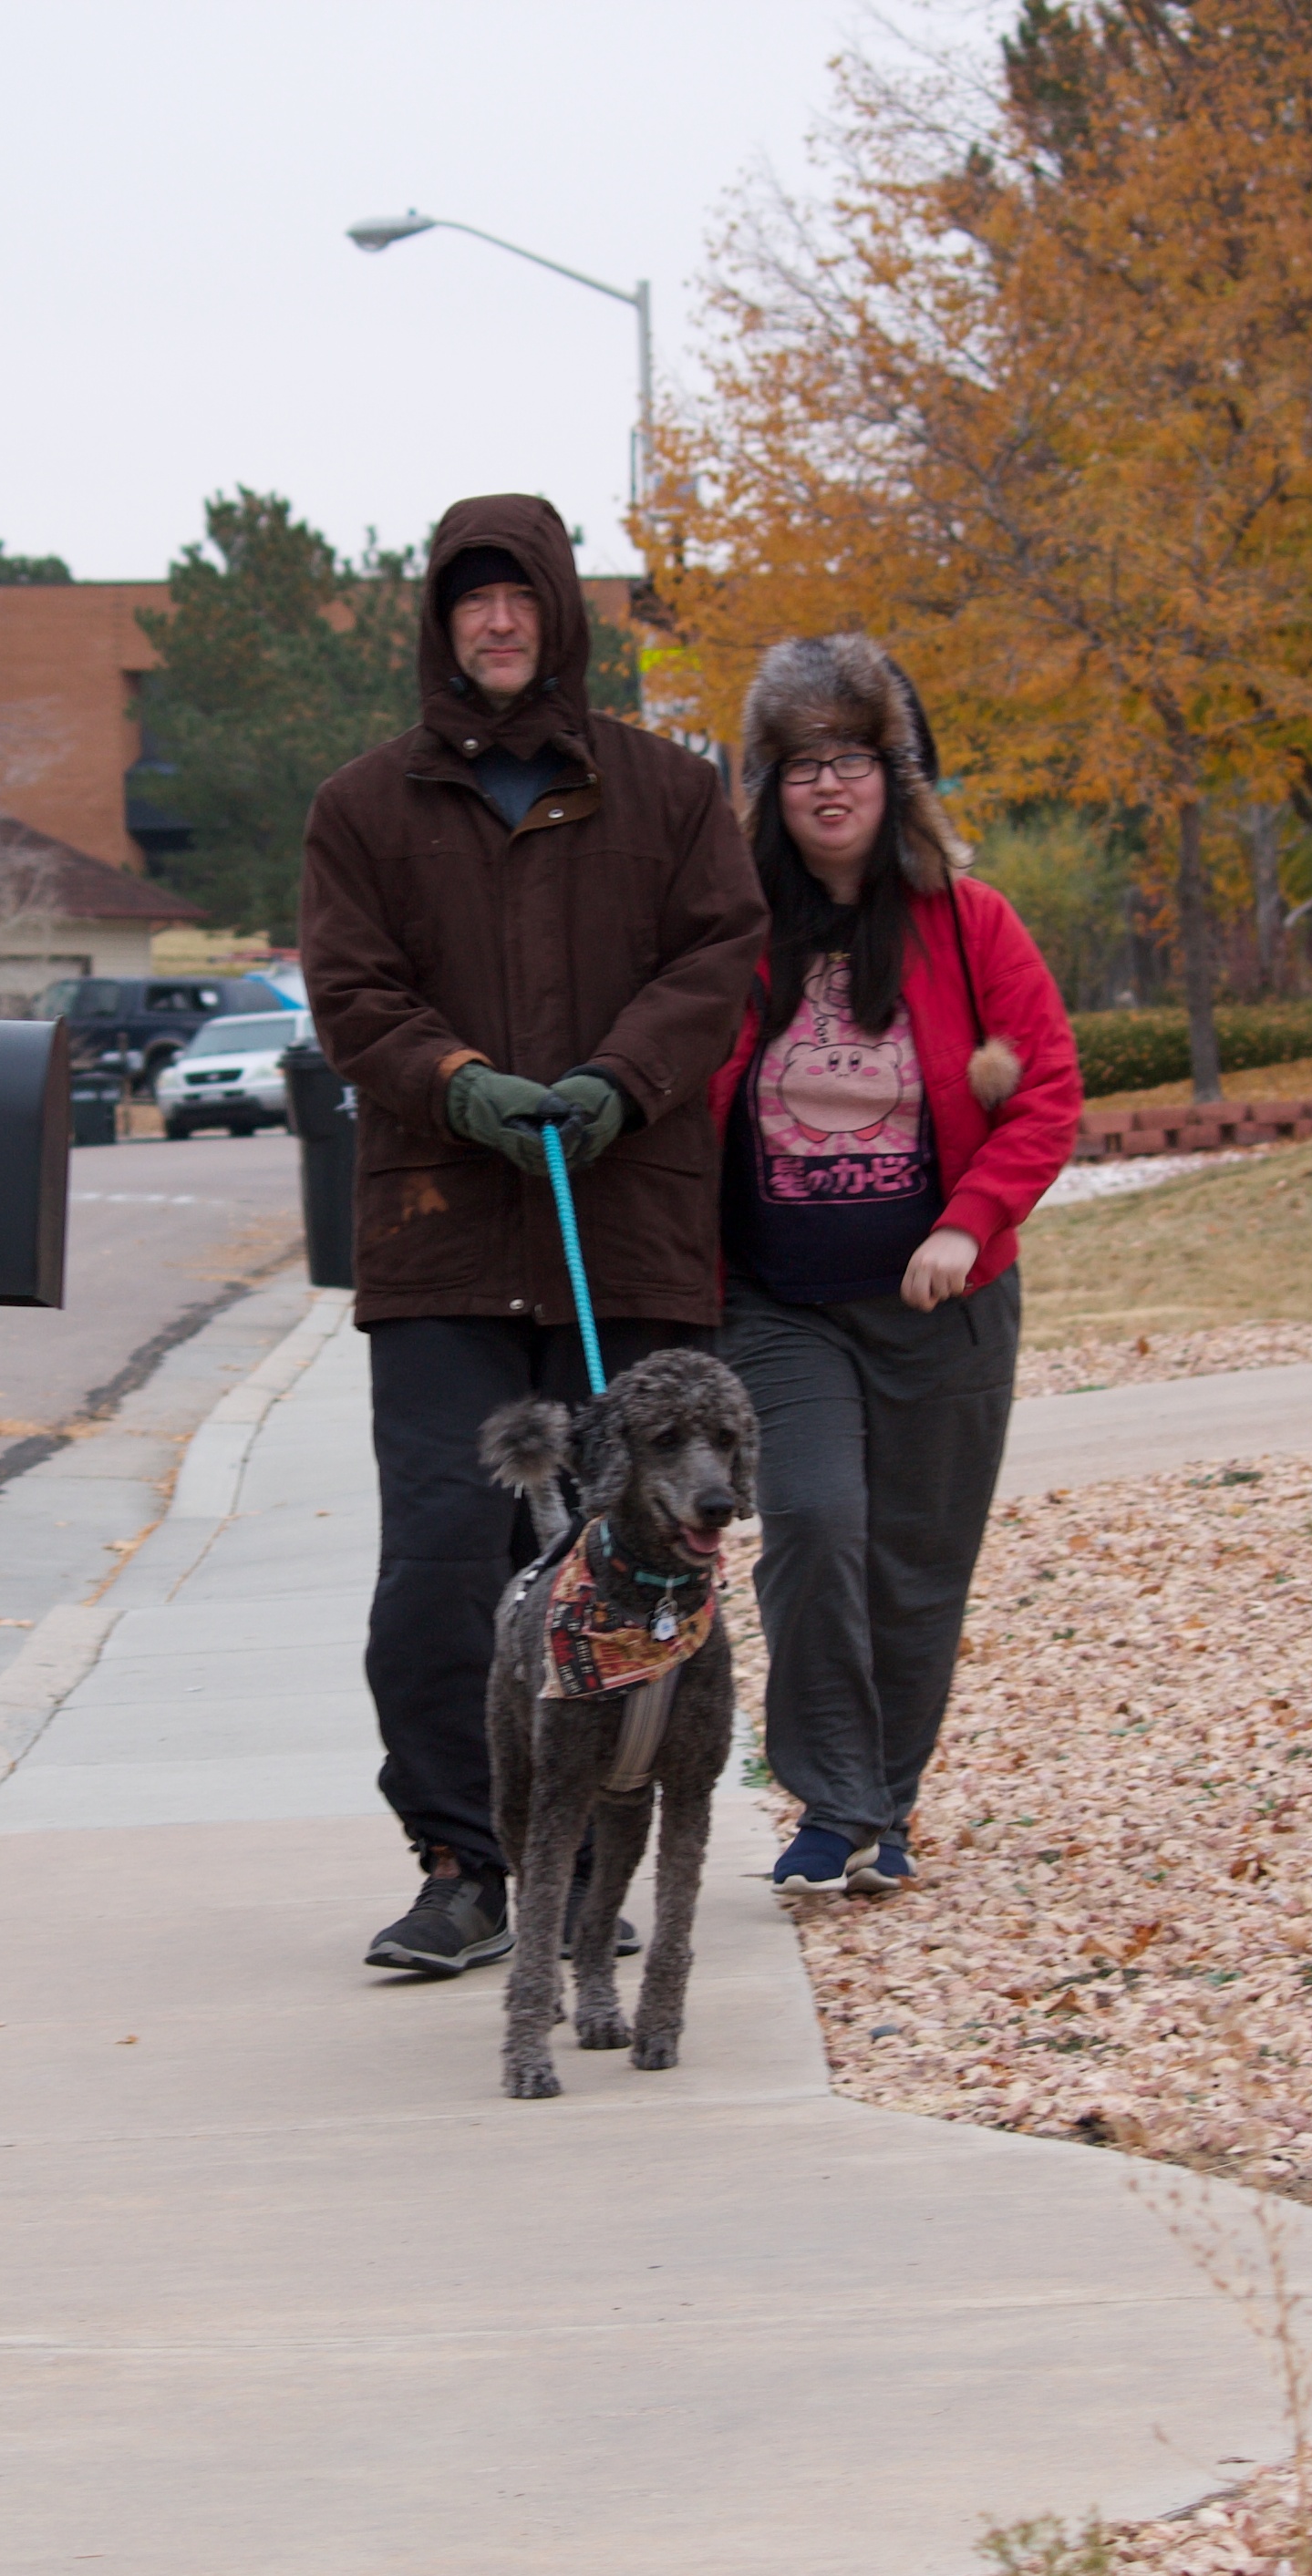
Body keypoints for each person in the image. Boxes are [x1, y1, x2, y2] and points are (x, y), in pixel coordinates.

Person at [301, 495, 768, 1976]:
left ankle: (586, 1862)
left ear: (560, 616)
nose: (497, 622)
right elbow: (351, 992)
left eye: (521, 598)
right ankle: (464, 1862)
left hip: (619, 1242)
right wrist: (457, 1084)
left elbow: (720, 958)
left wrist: (619, 1081)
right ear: (441, 624)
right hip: (442, 1250)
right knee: (440, 1571)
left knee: (623, 1571)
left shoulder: (671, 794)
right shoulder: (363, 809)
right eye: (471, 599)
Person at [707, 634, 1080, 1898]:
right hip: (778, 1303)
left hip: (944, 1305)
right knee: (814, 1525)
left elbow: (1047, 1089)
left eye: (853, 757)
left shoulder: (971, 925)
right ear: (769, 784)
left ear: (894, 776)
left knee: (916, 1564)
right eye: (801, 761)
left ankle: (888, 1803)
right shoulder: (734, 934)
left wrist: (969, 1222)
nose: (829, 783)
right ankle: (832, 1804)